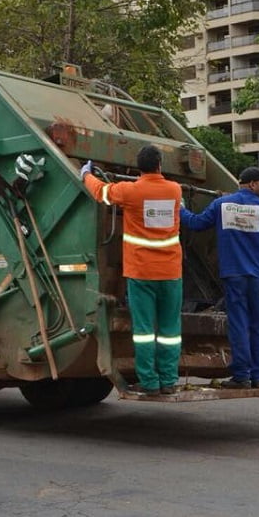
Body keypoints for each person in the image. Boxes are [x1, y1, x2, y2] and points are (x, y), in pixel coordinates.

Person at [180, 167, 259, 389]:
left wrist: (181, 209)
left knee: (239, 325)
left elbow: (196, 223)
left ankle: (241, 376)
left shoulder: (222, 205)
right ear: (252, 184)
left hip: (234, 276)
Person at [82, 145, 183, 396]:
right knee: (170, 330)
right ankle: (169, 380)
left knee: (144, 330)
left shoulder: (130, 191)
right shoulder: (175, 190)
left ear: (139, 168)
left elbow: (100, 193)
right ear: (159, 165)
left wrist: (86, 174)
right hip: (170, 272)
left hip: (140, 272)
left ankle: (149, 382)